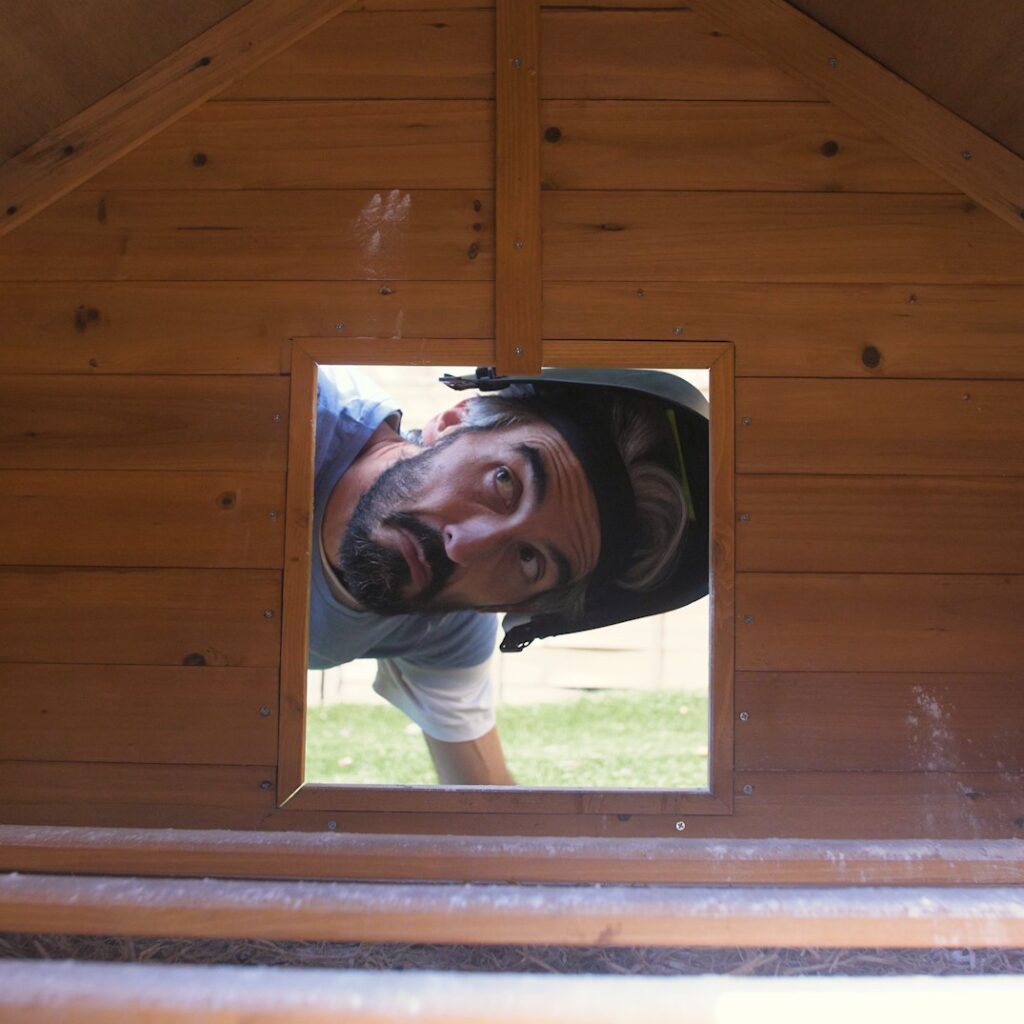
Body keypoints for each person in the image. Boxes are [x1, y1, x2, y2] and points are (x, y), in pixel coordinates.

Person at [310, 365, 709, 786]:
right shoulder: (294, 411)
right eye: (504, 481)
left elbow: (482, 798)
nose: (463, 546)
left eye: (528, 559)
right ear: (452, 421)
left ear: (514, 605)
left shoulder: (443, 624)